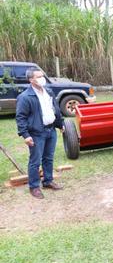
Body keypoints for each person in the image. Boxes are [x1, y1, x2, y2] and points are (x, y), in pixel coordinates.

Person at [15, 68, 65, 199]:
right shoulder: (25, 97)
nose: (42, 78)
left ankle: (48, 181)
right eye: (38, 76)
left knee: (48, 158)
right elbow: (21, 117)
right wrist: (25, 135)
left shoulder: (48, 92)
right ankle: (34, 187)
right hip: (37, 133)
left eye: (42, 76)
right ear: (31, 79)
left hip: (51, 130)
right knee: (35, 161)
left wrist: (60, 124)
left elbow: (55, 109)